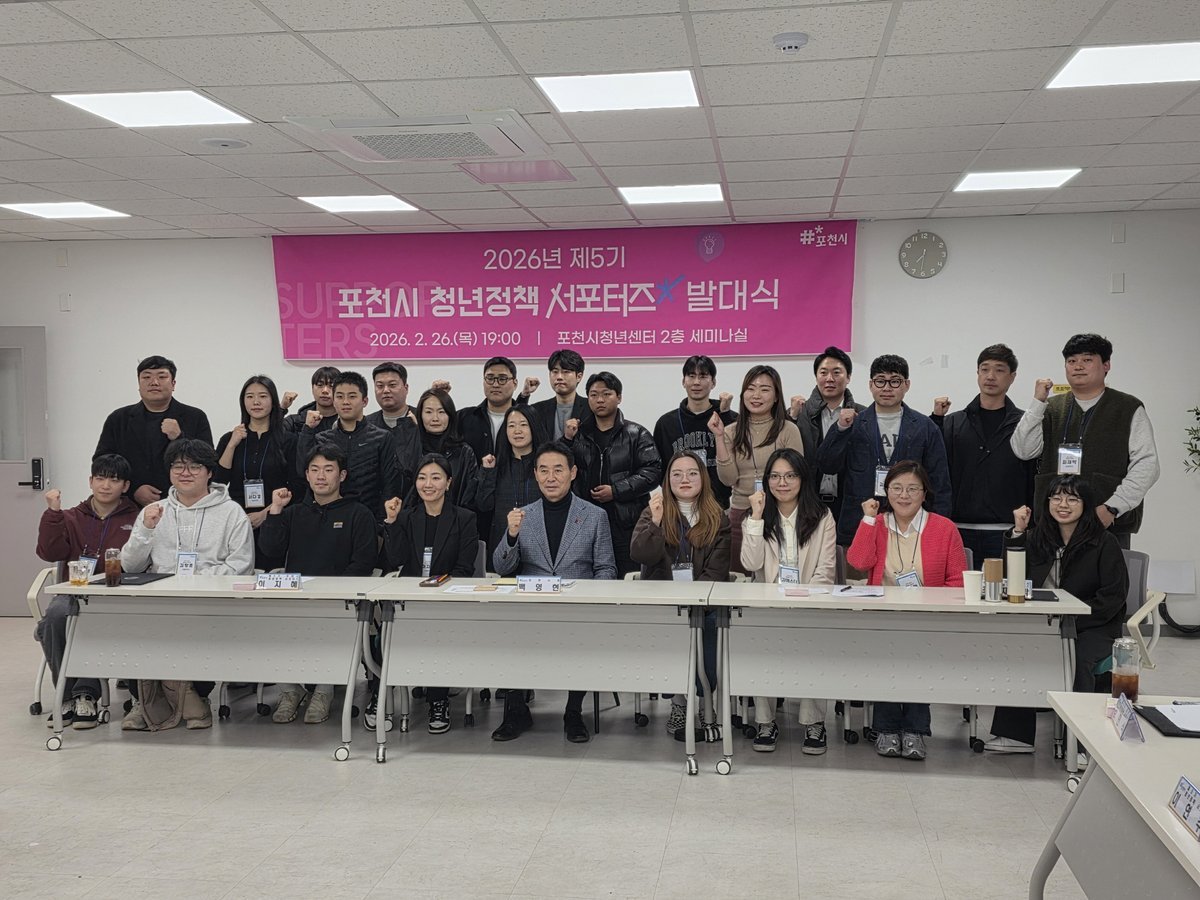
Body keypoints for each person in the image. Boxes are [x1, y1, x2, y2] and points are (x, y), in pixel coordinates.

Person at [985, 476, 1129, 753]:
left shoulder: (1103, 542)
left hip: (1092, 626)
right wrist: (1018, 531)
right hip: (1045, 623)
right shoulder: (1039, 537)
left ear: (1086, 505)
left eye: (1072, 499)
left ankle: (1082, 745)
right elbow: (1011, 578)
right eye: (1057, 498)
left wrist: (1073, 617)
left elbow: (1113, 596)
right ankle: (1016, 736)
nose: (1063, 505)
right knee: (1017, 650)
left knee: (1078, 658)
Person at [119, 439, 255, 731]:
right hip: (160, 600)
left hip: (210, 600)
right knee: (134, 623)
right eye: (178, 466)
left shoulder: (232, 513)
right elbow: (130, 566)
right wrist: (146, 530)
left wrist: (195, 579)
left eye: (194, 466)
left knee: (189, 624)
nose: (185, 472)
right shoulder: (154, 511)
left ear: (209, 472)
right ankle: (149, 698)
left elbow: (241, 566)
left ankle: (190, 695)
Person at [492, 440, 617, 743]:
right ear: (535, 474)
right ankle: (516, 710)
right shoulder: (522, 515)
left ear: (572, 473)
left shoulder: (594, 515)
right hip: (531, 607)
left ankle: (573, 712)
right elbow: (501, 566)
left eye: (558, 470)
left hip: (577, 608)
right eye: (544, 470)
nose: (551, 477)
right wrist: (511, 535)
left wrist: (592, 600)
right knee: (508, 633)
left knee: (584, 639)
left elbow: (606, 568)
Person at [847, 460, 967, 761]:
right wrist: (867, 520)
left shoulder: (944, 528)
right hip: (883, 617)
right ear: (886, 491)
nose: (904, 495)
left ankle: (915, 730)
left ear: (924, 493)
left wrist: (933, 610)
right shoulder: (878, 523)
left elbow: (958, 582)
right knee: (887, 655)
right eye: (897, 488)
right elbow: (858, 562)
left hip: (927, 619)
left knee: (917, 657)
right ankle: (886, 729)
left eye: (912, 489)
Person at [258, 445, 378, 724]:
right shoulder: (294, 513)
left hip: (340, 603)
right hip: (296, 600)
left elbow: (363, 562)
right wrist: (276, 509)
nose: (320, 476)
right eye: (314, 470)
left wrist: (333, 593)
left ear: (342, 475)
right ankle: (290, 690)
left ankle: (324, 690)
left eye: (328, 469)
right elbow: (270, 549)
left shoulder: (358, 513)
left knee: (329, 625)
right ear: (307, 475)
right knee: (269, 623)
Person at [1010, 333, 1159, 549]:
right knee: (1050, 573)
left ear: (1106, 365)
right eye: (1071, 361)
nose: (1078, 366)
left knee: (1108, 572)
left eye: (1087, 360)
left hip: (1107, 524)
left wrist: (1113, 507)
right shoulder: (1050, 408)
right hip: (1053, 526)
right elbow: (1023, 450)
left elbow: (1147, 464)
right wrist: (1037, 403)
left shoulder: (1127, 407)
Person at [740, 449, 837, 753]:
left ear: (802, 479)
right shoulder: (755, 516)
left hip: (810, 604)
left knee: (814, 648)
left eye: (790, 476)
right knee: (761, 650)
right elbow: (751, 563)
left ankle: (814, 722)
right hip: (768, 605)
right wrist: (756, 517)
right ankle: (765, 721)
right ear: (766, 481)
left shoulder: (822, 516)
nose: (782, 483)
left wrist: (804, 601)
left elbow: (826, 570)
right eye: (775, 476)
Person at [630, 450, 730, 741]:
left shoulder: (719, 518)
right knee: (672, 631)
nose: (684, 479)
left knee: (709, 628)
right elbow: (641, 555)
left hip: (704, 605)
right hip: (665, 606)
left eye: (692, 473)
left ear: (703, 478)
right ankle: (678, 703)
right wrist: (655, 523)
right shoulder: (653, 511)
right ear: (667, 480)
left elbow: (717, 572)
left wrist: (693, 603)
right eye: (677, 474)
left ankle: (705, 702)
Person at [34, 454, 138, 730]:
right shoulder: (70, 517)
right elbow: (49, 553)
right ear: (90, 481)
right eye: (100, 478)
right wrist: (53, 514)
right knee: (55, 616)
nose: (106, 485)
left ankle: (86, 694)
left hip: (118, 596)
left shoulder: (137, 517)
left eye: (114, 480)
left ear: (125, 486)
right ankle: (68, 695)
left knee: (95, 622)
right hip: (74, 594)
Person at [382, 453, 481, 733]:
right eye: (422, 478)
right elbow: (396, 560)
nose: (428, 484)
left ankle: (438, 700)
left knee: (439, 633)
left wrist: (438, 590)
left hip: (447, 602)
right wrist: (391, 521)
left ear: (448, 483)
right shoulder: (406, 517)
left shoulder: (464, 518)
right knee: (386, 632)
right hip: (409, 602)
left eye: (436, 478)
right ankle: (381, 698)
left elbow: (464, 568)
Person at [817, 354, 952, 547]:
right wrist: (840, 430)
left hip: (911, 528)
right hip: (859, 526)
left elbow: (940, 484)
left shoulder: (925, 427)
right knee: (856, 569)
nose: (887, 388)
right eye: (880, 381)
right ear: (871, 385)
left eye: (895, 381)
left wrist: (937, 532)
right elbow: (826, 465)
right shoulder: (853, 424)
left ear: (907, 385)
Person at [931, 344, 1035, 563]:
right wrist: (936, 420)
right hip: (958, 529)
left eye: (999, 370)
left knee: (1007, 585)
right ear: (977, 373)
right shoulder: (952, 423)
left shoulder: (1025, 425)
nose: (990, 376)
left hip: (1008, 530)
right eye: (985, 369)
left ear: (1012, 376)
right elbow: (935, 470)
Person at [712, 365, 804, 573]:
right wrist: (718, 437)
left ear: (776, 396)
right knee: (741, 578)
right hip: (741, 512)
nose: (756, 395)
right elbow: (728, 479)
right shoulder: (730, 431)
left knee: (776, 576)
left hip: (780, 514)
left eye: (764, 389)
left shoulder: (789, 430)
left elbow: (797, 478)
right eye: (751, 388)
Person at [94, 355, 212, 507]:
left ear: (173, 384)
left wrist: (179, 438)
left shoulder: (195, 417)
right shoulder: (118, 419)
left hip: (182, 502)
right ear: (139, 383)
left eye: (162, 377)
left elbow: (208, 463)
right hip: (128, 504)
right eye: (146, 377)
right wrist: (133, 488)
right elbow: (102, 461)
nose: (154, 382)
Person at [574, 372, 662, 576]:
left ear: (619, 397)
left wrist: (616, 491)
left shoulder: (637, 434)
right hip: (587, 522)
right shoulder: (579, 435)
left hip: (627, 523)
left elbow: (653, 472)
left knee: (628, 578)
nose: (600, 400)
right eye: (594, 395)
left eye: (606, 394)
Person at [214, 375, 302, 571]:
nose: (256, 402)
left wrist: (265, 514)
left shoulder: (288, 440)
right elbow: (218, 482)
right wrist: (232, 444)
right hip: (236, 520)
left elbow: (297, 487)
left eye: (263, 396)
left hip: (275, 519)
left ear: (273, 400)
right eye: (250, 396)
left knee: (269, 575)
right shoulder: (230, 438)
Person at [297, 371, 404, 521]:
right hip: (328, 518)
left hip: (370, 519)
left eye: (352, 396)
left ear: (364, 401)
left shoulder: (382, 438)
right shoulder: (322, 439)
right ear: (334, 400)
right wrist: (307, 430)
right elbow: (303, 473)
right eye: (340, 396)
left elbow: (390, 484)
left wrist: (382, 523)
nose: (345, 402)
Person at [789, 346, 864, 522]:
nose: (829, 379)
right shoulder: (800, 413)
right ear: (816, 377)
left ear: (848, 377)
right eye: (823, 373)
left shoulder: (862, 415)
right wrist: (791, 418)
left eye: (836, 372)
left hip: (847, 501)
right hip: (807, 500)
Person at [652, 355, 737, 508]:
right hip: (680, 507)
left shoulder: (730, 419)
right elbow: (661, 470)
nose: (696, 382)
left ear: (713, 382)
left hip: (720, 506)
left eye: (703, 376)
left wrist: (725, 415)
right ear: (683, 381)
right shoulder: (666, 424)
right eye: (691, 376)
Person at [477, 405, 547, 557]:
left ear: (533, 427)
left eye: (523, 425)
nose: (517, 431)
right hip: (503, 546)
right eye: (511, 425)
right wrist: (488, 472)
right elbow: (484, 504)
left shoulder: (546, 466)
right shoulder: (495, 464)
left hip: (541, 547)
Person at [458, 356, 539, 463]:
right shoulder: (464, 417)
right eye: (490, 378)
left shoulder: (529, 419)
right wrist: (440, 396)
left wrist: (524, 397)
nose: (495, 384)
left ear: (515, 383)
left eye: (502, 379)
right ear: (483, 382)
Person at [413, 388, 480, 513]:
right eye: (429, 412)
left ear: (450, 415)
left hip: (457, 520)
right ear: (420, 415)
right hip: (416, 521)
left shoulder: (464, 452)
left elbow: (470, 495)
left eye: (441, 412)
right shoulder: (412, 449)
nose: (435, 418)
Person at [528, 349, 589, 441]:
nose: (559, 377)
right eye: (555, 372)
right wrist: (524, 395)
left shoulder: (590, 408)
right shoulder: (537, 410)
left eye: (566, 372)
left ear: (579, 377)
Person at [283, 366, 340, 433]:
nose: (325, 390)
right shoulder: (295, 422)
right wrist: (282, 409)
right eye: (320, 385)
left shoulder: (348, 422)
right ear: (312, 388)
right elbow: (274, 434)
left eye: (331, 386)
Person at [365, 361, 416, 429]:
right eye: (380, 386)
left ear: (406, 388)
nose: (386, 390)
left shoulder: (421, 418)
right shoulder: (366, 425)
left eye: (392, 385)